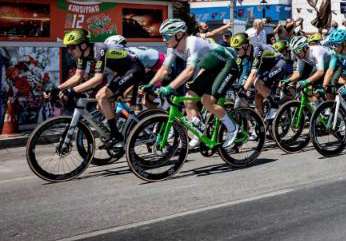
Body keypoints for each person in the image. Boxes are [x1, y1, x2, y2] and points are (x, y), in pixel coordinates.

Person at [155, 19, 240, 149]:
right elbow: (165, 69)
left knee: (207, 101)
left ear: (179, 35)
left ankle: (232, 128)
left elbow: (189, 71)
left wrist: (170, 87)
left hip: (227, 65)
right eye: (162, 36)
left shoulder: (192, 43)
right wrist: (152, 85)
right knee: (189, 98)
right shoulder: (173, 48)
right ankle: (198, 133)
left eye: (166, 36)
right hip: (210, 68)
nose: (163, 39)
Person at [58, 29, 146, 148]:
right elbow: (77, 77)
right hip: (122, 71)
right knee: (101, 105)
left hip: (134, 68)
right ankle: (121, 129)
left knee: (101, 96)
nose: (69, 51)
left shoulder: (99, 49)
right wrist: (57, 89)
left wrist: (72, 90)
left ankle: (116, 135)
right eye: (68, 48)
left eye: (71, 47)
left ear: (83, 45)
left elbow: (97, 79)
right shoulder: (82, 55)